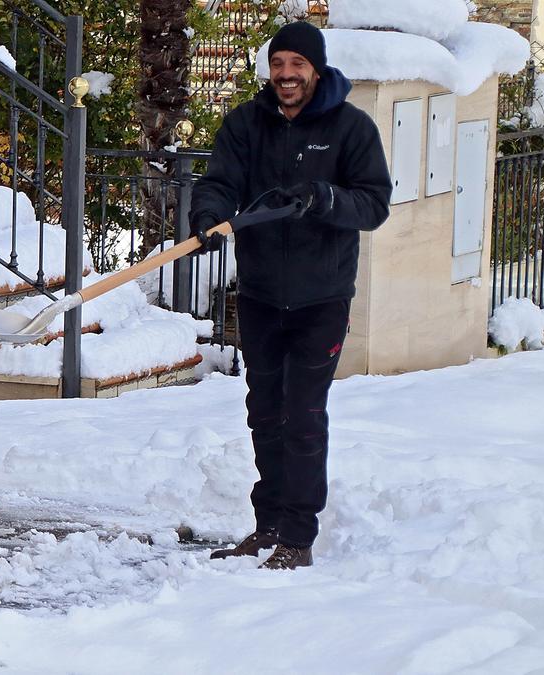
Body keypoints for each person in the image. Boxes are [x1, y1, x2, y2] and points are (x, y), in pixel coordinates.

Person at [189, 21, 393, 569]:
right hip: (259, 294)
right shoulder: (245, 124)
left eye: (296, 65)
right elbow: (220, 181)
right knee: (264, 412)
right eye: (278, 64)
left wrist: (325, 197)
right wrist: (209, 213)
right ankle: (269, 523)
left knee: (303, 415)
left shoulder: (351, 129)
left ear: (316, 69)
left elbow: (374, 203)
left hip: (321, 299)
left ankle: (298, 536)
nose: (285, 75)